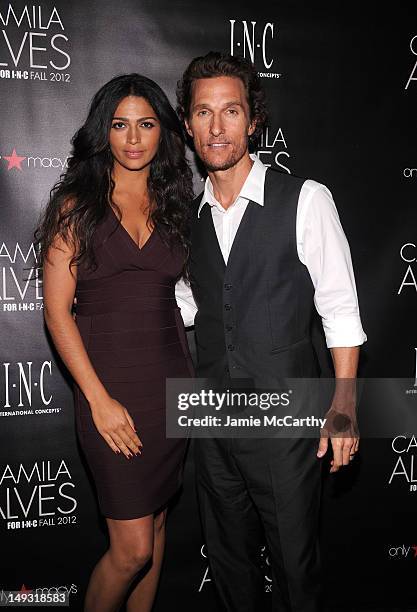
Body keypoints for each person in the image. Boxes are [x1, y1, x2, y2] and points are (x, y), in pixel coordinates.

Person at [175, 52, 367, 611]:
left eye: (230, 111)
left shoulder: (305, 199)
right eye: (203, 113)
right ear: (187, 126)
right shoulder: (187, 220)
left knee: (295, 570)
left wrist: (345, 405)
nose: (217, 127)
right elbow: (189, 309)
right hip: (212, 426)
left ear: (253, 118)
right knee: (231, 569)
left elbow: (341, 308)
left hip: (287, 424)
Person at [35, 73, 195, 612]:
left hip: (171, 384)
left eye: (146, 124)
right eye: (120, 125)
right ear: (103, 132)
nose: (133, 138)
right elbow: (58, 313)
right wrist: (97, 401)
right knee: (131, 549)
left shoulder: (176, 203)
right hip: (109, 389)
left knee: (157, 523)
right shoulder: (76, 207)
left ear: (163, 133)